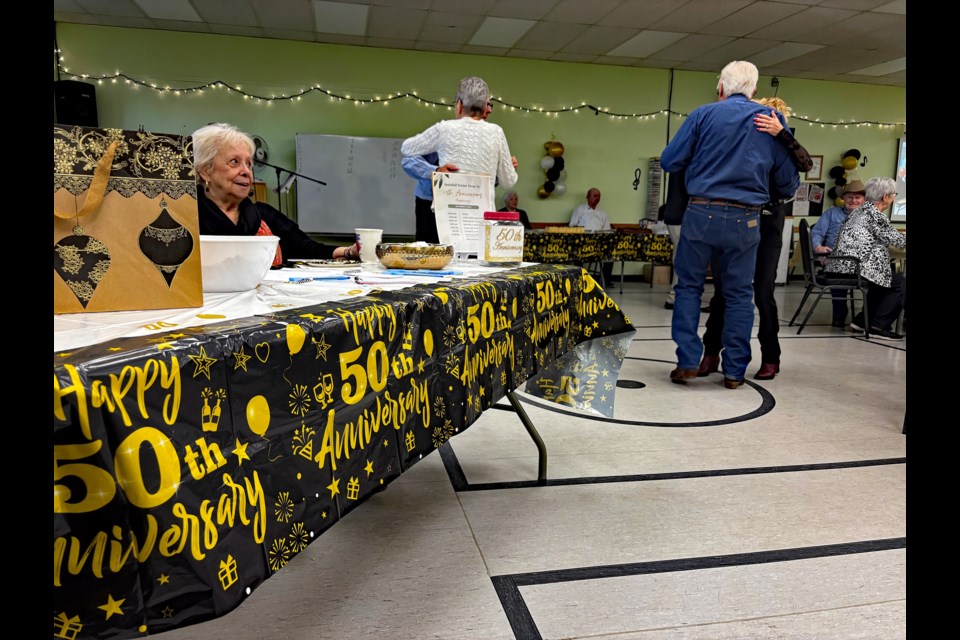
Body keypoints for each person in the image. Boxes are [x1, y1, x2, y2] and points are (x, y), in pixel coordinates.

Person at [660, 60, 800, 389]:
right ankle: (735, 371)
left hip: (700, 214)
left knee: (689, 289)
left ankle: (688, 361)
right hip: (746, 219)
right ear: (754, 90)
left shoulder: (703, 114)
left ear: (721, 88)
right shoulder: (771, 119)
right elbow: (788, 182)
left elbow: (670, 161)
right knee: (739, 294)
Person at [698, 97, 813, 381]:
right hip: (735, 220)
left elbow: (806, 164)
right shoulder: (742, 143)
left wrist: (782, 135)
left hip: (768, 221)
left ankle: (770, 358)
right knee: (724, 291)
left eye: (772, 119)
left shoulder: (783, 145)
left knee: (763, 292)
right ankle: (711, 353)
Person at [193, 123, 359, 265]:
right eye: (234, 162)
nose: (246, 171)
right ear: (205, 171)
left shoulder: (262, 215)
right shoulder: (187, 217)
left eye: (249, 163)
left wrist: (349, 251)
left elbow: (307, 248)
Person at [400, 99, 496, 243]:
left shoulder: (489, 140)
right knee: (427, 249)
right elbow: (408, 160)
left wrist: (499, 171)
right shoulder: (445, 132)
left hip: (464, 205)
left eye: (490, 106)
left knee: (460, 249)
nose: (489, 110)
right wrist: (436, 171)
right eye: (486, 105)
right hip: (429, 203)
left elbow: (489, 182)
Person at [825, 176, 906, 340]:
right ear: (885, 197)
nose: (893, 198)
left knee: (882, 280)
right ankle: (878, 325)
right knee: (900, 284)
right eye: (894, 194)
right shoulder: (874, 215)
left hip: (841, 265)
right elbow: (898, 241)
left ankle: (862, 321)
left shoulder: (861, 211)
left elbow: (881, 237)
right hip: (852, 267)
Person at [400, 76, 517, 189]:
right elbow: (509, 182)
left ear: (459, 104)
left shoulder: (444, 128)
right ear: (484, 107)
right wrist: (507, 166)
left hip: (448, 207)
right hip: (482, 209)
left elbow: (406, 148)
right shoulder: (496, 132)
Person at [809, 179, 867, 327]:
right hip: (834, 259)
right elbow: (816, 233)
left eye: (857, 197)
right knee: (837, 272)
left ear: (864, 199)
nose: (853, 200)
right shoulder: (832, 213)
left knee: (883, 281)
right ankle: (840, 315)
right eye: (850, 197)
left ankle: (866, 320)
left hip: (861, 263)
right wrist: (818, 248)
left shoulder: (870, 217)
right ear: (843, 198)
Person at [569, 187, 614, 284]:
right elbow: (572, 226)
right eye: (595, 196)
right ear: (588, 197)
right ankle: (578, 278)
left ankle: (606, 279)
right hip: (583, 242)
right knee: (577, 252)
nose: (597, 198)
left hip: (598, 243)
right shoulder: (580, 209)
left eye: (599, 196)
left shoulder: (602, 213)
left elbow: (607, 230)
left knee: (610, 253)